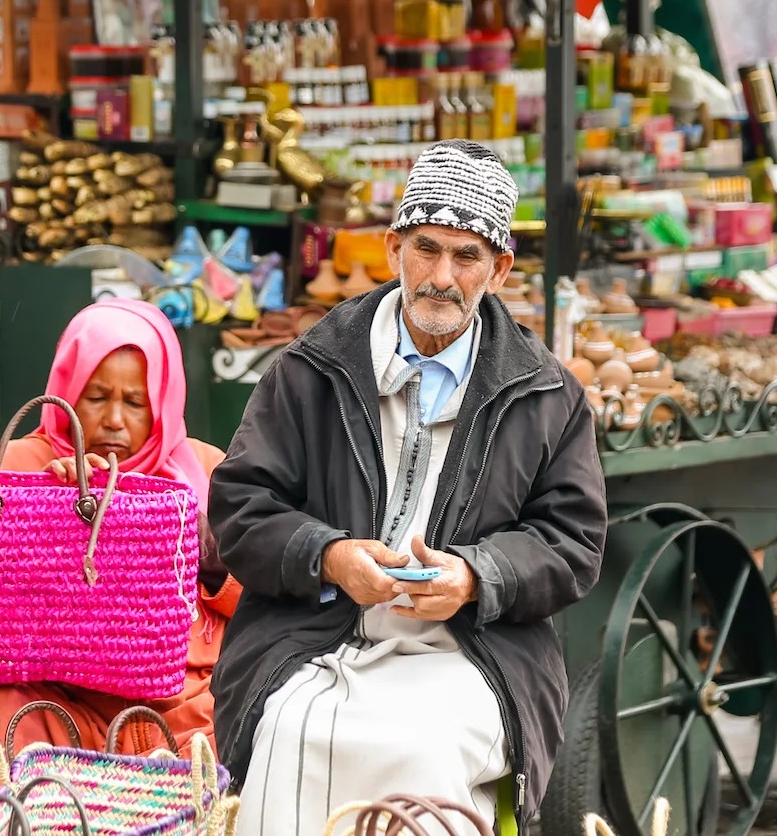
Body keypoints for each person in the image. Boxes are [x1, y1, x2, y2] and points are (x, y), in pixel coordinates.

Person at [210, 140, 606, 836]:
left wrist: (476, 575)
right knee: (292, 730)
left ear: (501, 268)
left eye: (467, 256)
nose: (442, 276)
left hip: (475, 650)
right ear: (393, 248)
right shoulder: (309, 369)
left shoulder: (548, 395)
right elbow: (241, 507)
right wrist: (329, 558)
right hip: (317, 637)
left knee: (419, 750)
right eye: (426, 248)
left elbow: (572, 543)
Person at [0, 299, 239, 760]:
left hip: (184, 707)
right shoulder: (8, 470)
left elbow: (265, 598)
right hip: (59, 703)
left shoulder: (208, 472)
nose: (114, 420)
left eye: (136, 402)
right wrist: (50, 505)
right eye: (97, 397)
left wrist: (210, 553)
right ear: (67, 392)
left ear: (163, 403)